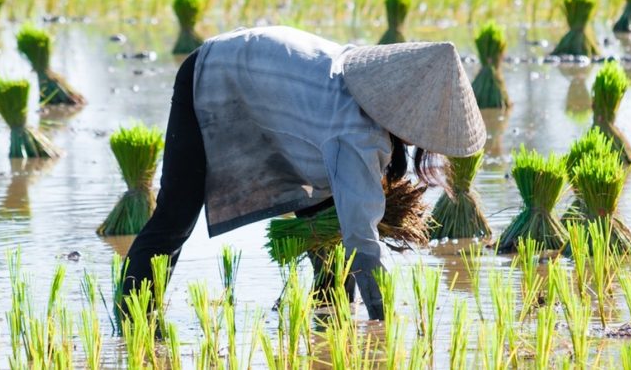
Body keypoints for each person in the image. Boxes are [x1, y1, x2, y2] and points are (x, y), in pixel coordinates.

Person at [121, 26, 485, 320]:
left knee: (327, 230)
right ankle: (132, 321)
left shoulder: (363, 80)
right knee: (176, 217)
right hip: (213, 73)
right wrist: (383, 318)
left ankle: (328, 315)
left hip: (262, 80)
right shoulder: (356, 133)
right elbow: (363, 237)